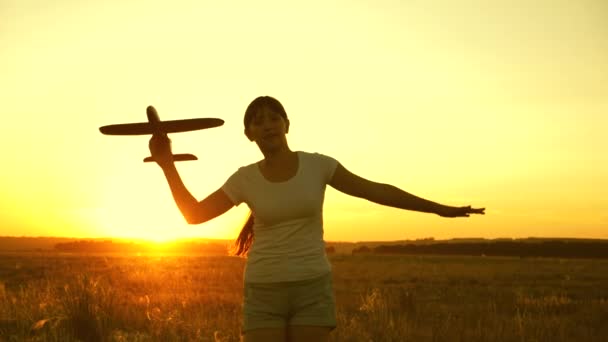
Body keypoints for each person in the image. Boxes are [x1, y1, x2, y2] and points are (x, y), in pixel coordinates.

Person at [148, 96, 485, 342]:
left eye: (274, 117)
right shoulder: (244, 179)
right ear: (250, 133)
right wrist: (166, 164)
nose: (268, 124)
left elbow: (377, 191)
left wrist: (440, 208)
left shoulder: (318, 166)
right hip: (264, 290)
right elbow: (194, 215)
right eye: (258, 120)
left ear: (286, 124)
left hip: (312, 287)